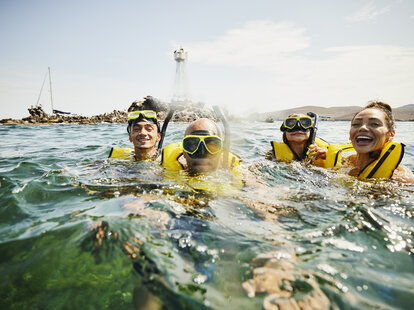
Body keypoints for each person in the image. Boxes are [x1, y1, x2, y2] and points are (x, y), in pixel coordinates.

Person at [342, 101, 414, 183]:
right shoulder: (343, 162)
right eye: (356, 124)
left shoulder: (402, 177)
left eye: (375, 124)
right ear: (350, 134)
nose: (363, 128)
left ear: (390, 134)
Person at [160, 118, 241, 175]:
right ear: (184, 152)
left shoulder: (238, 172)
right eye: (193, 145)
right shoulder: (163, 171)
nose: (202, 153)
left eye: (211, 145)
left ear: (221, 151)